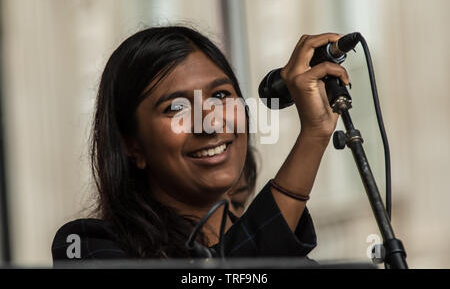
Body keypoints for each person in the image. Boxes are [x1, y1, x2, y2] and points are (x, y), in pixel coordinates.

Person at [51, 26, 349, 263]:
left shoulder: (292, 259)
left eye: (220, 96)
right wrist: (312, 138)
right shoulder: (89, 247)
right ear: (131, 145)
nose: (210, 123)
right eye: (176, 108)